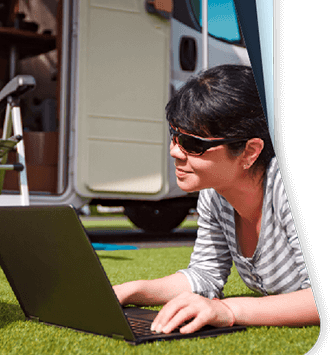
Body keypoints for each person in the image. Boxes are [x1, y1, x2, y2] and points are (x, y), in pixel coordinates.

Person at [113, 64, 319, 333]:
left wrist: (230, 310)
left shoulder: (280, 188)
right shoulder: (215, 194)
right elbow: (204, 275)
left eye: (194, 144)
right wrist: (131, 290)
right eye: (175, 135)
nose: (175, 151)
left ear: (249, 152)